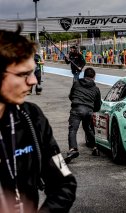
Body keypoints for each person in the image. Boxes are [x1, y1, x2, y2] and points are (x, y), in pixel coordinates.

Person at [0, 25, 76, 213]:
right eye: (23, 74)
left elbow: (64, 182)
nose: (33, 81)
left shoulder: (32, 117)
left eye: (33, 72)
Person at [65, 67, 102, 164]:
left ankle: (73, 149)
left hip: (76, 109)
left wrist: (76, 101)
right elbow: (98, 106)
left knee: (73, 130)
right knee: (87, 128)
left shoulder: (76, 83)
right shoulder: (96, 89)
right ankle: (95, 148)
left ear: (84, 75)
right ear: (94, 77)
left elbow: (71, 96)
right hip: (89, 110)